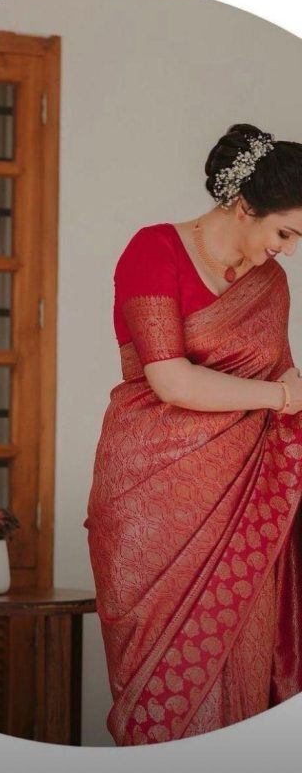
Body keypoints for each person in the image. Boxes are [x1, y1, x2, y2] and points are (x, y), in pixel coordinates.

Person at [84, 123, 302, 746]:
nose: (289, 251)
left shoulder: (269, 282)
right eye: (285, 233)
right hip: (150, 496)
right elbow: (171, 380)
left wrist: (289, 390)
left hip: (245, 501)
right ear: (245, 205)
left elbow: (281, 369)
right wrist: (282, 397)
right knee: (163, 689)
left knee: (242, 659)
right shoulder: (154, 250)